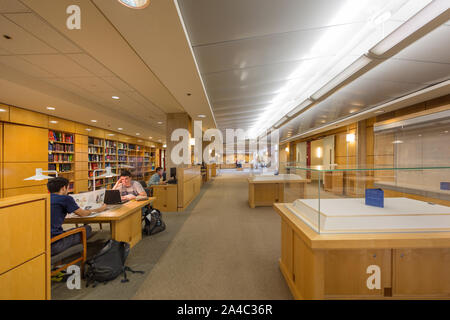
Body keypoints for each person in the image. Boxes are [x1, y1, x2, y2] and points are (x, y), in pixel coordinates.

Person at [48, 177, 107, 256]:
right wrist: (99, 209)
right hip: (55, 244)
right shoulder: (65, 199)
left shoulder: (45, 199)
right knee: (87, 228)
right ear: (63, 188)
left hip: (41, 243)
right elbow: (83, 214)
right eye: (68, 188)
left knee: (70, 230)